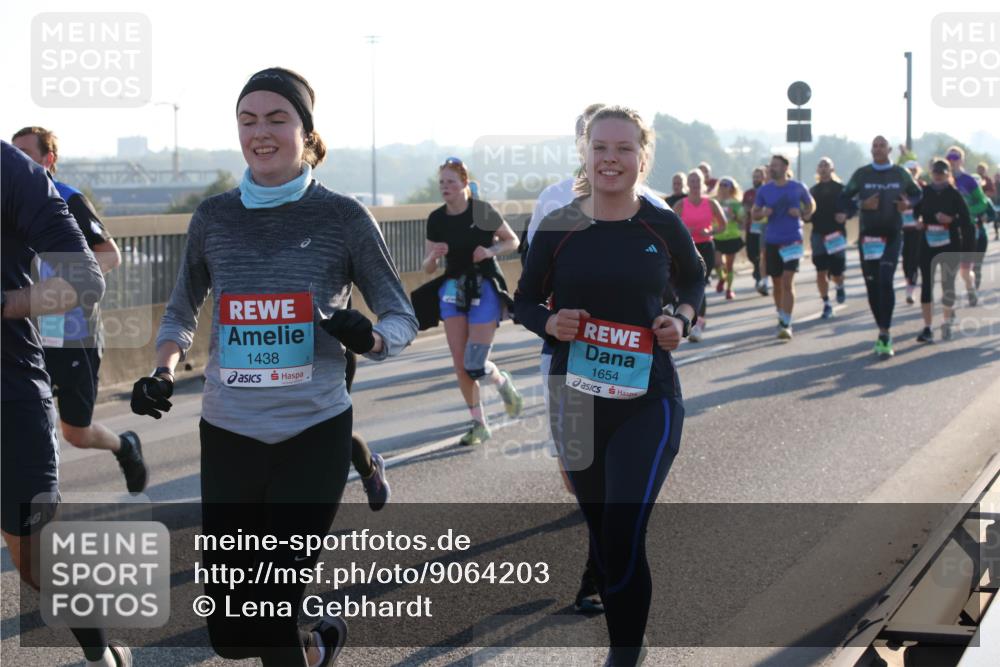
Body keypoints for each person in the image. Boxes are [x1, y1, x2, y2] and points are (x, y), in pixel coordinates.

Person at [129, 67, 418, 666]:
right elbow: (183, 308)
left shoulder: (341, 216)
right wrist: (162, 369)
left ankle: (298, 633)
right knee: (233, 633)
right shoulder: (214, 216)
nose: (260, 133)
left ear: (306, 132)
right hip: (229, 430)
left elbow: (400, 316)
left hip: (312, 429)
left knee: (274, 607)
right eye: (247, 120)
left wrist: (370, 339)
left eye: (277, 119)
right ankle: (321, 638)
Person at [515, 105, 705, 667]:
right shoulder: (559, 227)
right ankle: (630, 639)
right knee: (601, 530)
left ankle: (624, 655)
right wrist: (549, 322)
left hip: (648, 399)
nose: (611, 159)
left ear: (643, 157)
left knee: (623, 526)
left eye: (624, 149)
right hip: (575, 398)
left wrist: (683, 319)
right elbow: (523, 301)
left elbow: (693, 278)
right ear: (585, 153)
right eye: (601, 147)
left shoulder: (661, 222)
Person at [2, 141, 132, 667]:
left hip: (7, 399)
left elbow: (86, 278)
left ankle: (101, 654)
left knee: (38, 564)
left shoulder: (15, 174)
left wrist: (7, 304)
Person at [11, 126, 148, 494]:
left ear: (47, 159)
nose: (16, 160)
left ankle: (125, 446)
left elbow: (109, 256)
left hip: (72, 332)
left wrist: (60, 282)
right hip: (25, 331)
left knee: (76, 431)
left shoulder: (68, 199)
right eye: (13, 152)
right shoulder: (11, 196)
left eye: (25, 152)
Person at [422, 157, 523, 446]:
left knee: (474, 361)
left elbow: (512, 241)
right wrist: (433, 257)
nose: (445, 187)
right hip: (453, 289)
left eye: (451, 182)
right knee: (460, 364)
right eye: (441, 182)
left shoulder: (482, 211)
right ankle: (479, 424)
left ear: (465, 183)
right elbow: (428, 266)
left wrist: (490, 251)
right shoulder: (436, 218)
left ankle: (502, 383)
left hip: (484, 287)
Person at [838, 136, 922, 358]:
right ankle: (881, 328)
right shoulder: (862, 174)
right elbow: (844, 198)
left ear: (889, 149)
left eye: (881, 145)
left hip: (893, 234)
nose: (877, 148)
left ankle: (885, 333)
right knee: (872, 285)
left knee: (886, 279)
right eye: (874, 145)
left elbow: (917, 194)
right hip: (868, 237)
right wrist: (860, 205)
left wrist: (908, 204)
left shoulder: (900, 173)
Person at [752, 154, 815, 340]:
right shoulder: (765, 190)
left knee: (788, 280)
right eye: (771, 166)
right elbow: (754, 214)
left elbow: (812, 205)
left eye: (776, 166)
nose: (772, 169)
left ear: (786, 168)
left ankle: (787, 322)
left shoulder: (797, 187)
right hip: (772, 240)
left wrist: (803, 213)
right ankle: (781, 314)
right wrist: (763, 212)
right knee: (777, 282)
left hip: (793, 239)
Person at [913, 160, 975, 343]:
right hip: (928, 243)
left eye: (942, 172)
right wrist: (918, 220)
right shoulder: (925, 192)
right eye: (935, 172)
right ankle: (927, 327)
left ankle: (947, 322)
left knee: (947, 284)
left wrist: (951, 219)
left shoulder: (954, 194)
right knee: (927, 285)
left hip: (950, 245)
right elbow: (915, 211)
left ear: (948, 174)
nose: (938, 175)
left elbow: (966, 221)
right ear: (931, 173)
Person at [674, 169, 726, 341]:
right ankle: (690, 318)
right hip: (688, 249)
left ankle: (697, 324)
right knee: (686, 285)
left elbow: (723, 226)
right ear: (687, 184)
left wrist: (710, 231)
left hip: (706, 247)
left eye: (698, 181)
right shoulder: (681, 204)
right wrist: (683, 231)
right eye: (692, 181)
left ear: (702, 183)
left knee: (700, 284)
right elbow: (670, 228)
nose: (695, 185)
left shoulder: (710, 204)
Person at [808, 157, 853, 319]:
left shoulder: (841, 189)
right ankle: (826, 303)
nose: (823, 168)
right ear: (818, 170)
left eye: (826, 165)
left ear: (832, 169)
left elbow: (853, 206)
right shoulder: (812, 191)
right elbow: (807, 212)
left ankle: (839, 285)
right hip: (818, 234)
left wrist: (846, 214)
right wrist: (805, 215)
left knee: (837, 271)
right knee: (821, 271)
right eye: (821, 165)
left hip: (836, 234)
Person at [946, 146, 991, 300]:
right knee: (949, 269)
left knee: (965, 271)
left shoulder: (969, 180)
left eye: (955, 157)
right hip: (949, 229)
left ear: (962, 160)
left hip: (967, 228)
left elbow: (983, 202)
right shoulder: (942, 180)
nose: (952, 161)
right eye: (949, 157)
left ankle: (970, 288)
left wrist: (967, 211)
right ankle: (949, 306)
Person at [713, 177, 745, 300]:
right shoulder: (714, 202)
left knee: (729, 266)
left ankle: (729, 289)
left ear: (732, 188)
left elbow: (742, 221)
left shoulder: (736, 203)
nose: (723, 187)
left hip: (732, 236)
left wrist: (734, 217)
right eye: (721, 184)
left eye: (726, 185)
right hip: (717, 236)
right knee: (717, 263)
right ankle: (722, 278)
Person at [898, 159, 925, 305]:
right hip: (902, 230)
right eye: (908, 171)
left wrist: (921, 218)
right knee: (906, 261)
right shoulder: (898, 189)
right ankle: (910, 283)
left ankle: (912, 289)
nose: (911, 173)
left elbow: (927, 208)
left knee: (916, 259)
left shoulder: (923, 188)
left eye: (913, 170)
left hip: (917, 230)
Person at [743, 166, 769, 296]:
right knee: (751, 253)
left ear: (763, 177)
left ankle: (760, 276)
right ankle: (756, 269)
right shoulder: (748, 193)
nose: (755, 179)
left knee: (762, 253)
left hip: (763, 226)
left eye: (758, 176)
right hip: (750, 227)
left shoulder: (767, 191)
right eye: (754, 177)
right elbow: (744, 208)